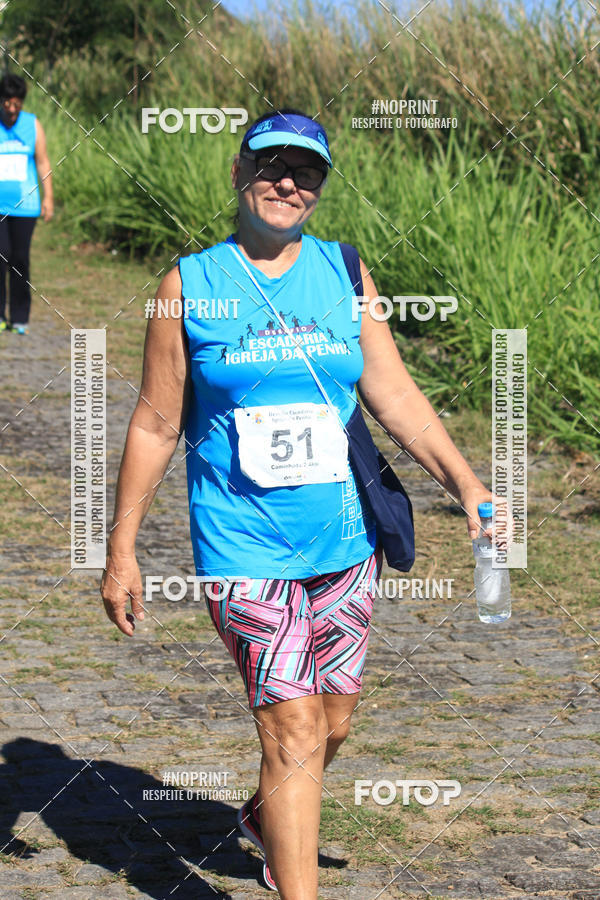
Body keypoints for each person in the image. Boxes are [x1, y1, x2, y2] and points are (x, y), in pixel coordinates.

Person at [101, 108, 495, 899]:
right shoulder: (190, 283)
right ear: (239, 174)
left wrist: (467, 482)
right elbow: (154, 419)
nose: (289, 183)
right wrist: (122, 547)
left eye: (306, 171)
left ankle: (265, 816)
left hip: (345, 543)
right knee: (293, 727)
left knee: (334, 721)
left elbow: (394, 393)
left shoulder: (344, 271)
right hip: (243, 548)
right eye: (273, 166)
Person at [0, 73, 53, 335]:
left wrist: (49, 197)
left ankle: (20, 317)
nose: (11, 110)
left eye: (16, 105)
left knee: (20, 259)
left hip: (26, 205)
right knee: (1, 256)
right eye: (6, 104)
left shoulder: (32, 125)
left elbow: (42, 162)